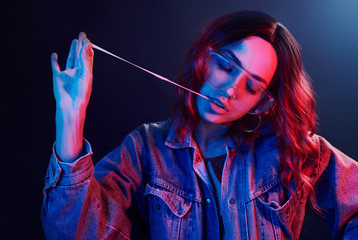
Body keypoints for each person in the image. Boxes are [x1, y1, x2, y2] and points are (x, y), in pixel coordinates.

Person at [41, 11, 358, 239]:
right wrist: (70, 117)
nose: (231, 89)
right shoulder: (145, 148)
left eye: (252, 86)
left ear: (262, 104)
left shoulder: (289, 147)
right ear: (204, 58)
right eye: (226, 65)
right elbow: (75, 233)